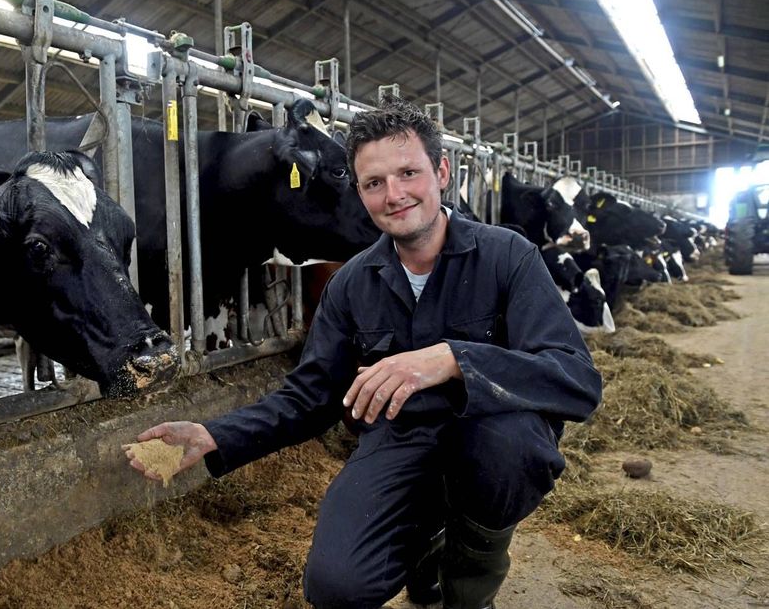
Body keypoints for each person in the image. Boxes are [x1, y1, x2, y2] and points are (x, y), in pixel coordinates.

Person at [125, 95, 602, 609]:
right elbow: (309, 398)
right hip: (401, 443)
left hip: (493, 435)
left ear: (441, 172)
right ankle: (426, 542)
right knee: (335, 588)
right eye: (374, 183)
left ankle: (469, 586)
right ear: (359, 191)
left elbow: (575, 380)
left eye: (408, 173)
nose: (394, 195)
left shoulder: (508, 255)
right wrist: (213, 435)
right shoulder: (351, 284)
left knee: (510, 448)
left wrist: (451, 359)